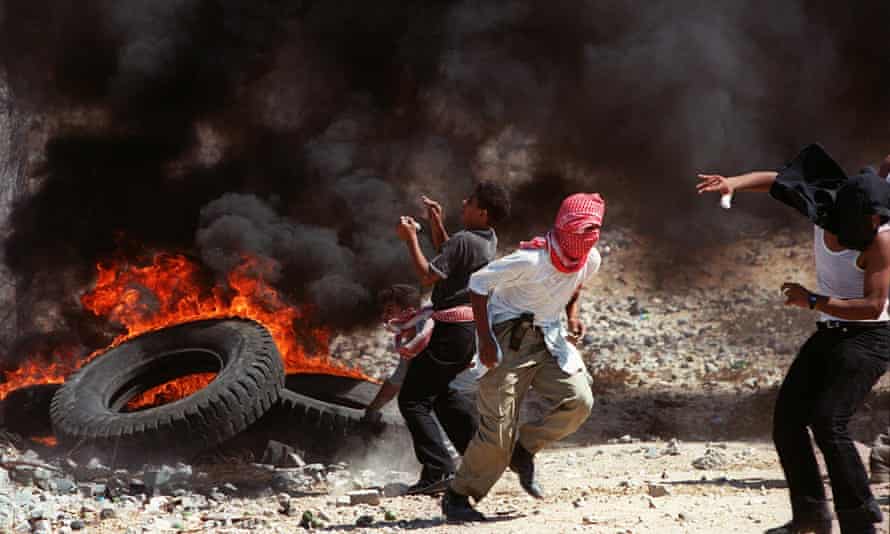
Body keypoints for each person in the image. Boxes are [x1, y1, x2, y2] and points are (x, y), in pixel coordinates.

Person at [697, 144, 890, 534]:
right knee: (787, 421)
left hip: (871, 337)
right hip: (832, 330)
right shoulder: (826, 208)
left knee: (829, 421)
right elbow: (778, 182)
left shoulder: (882, 240)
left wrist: (813, 300)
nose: (877, 221)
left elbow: (872, 307)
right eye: (871, 216)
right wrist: (733, 183)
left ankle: (859, 518)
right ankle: (811, 517)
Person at [441, 193, 602, 522]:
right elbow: (478, 284)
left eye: (591, 232)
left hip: (547, 337)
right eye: (579, 230)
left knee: (579, 400)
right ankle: (458, 497)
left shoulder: (590, 258)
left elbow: (575, 286)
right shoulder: (530, 260)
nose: (584, 239)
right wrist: (485, 340)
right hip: (506, 340)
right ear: (562, 227)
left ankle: (523, 449)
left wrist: (572, 315)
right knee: (497, 431)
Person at [394, 181, 510, 495]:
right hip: (466, 332)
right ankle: (479, 460)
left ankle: (438, 470)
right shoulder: (486, 239)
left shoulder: (464, 240)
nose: (464, 202)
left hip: (451, 331)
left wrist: (410, 240)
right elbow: (450, 255)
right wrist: (436, 224)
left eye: (470, 202)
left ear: (482, 212)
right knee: (442, 395)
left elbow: (428, 275)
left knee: (413, 399)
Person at [362, 284, 485, 428]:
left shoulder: (424, 330)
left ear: (409, 311)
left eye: (389, 311)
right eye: (383, 312)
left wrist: (372, 410)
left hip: (467, 381)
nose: (384, 317)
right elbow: (399, 378)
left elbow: (397, 381)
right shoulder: (424, 321)